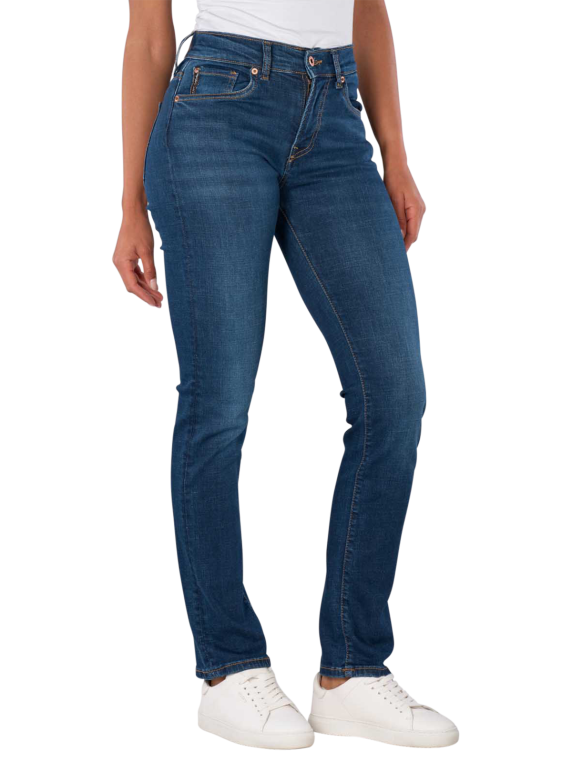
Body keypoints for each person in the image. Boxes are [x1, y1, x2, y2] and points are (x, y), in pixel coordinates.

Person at [113, 0, 459, 751]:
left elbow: (369, 9)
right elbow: (148, 36)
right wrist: (130, 205)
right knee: (220, 401)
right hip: (215, 109)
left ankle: (352, 672)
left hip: (336, 116)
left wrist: (396, 156)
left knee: (397, 393)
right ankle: (228, 668)